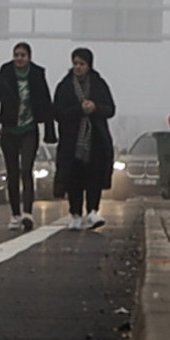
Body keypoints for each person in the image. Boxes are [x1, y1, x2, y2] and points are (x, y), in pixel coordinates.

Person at [0, 42, 57, 231]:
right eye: (16, 55)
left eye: (23, 55)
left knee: (27, 169)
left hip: (29, 130)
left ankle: (27, 213)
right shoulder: (5, 73)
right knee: (12, 172)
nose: (19, 58)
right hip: (9, 130)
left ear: (29, 57)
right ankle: (15, 214)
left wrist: (50, 131)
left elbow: (46, 102)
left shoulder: (37, 74)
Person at [52, 47, 116, 231]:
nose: (78, 67)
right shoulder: (64, 86)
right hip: (72, 141)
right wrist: (79, 110)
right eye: (76, 64)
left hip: (95, 140)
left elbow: (110, 109)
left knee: (94, 177)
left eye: (82, 64)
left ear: (89, 65)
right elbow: (58, 112)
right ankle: (75, 214)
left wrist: (95, 107)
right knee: (74, 179)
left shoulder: (99, 85)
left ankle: (93, 211)